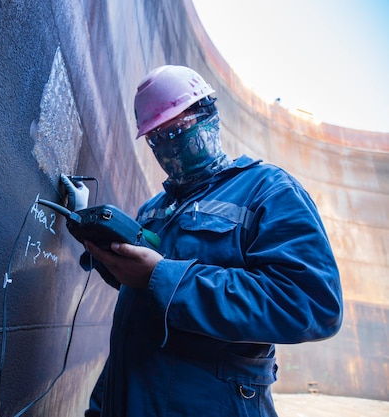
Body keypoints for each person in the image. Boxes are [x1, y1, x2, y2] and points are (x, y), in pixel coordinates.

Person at [61, 65, 343, 417]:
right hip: (127, 398)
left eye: (178, 130)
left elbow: (311, 302)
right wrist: (86, 223)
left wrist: (162, 277)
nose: (169, 148)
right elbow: (134, 281)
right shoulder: (155, 209)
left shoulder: (269, 191)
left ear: (210, 114)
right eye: (156, 139)